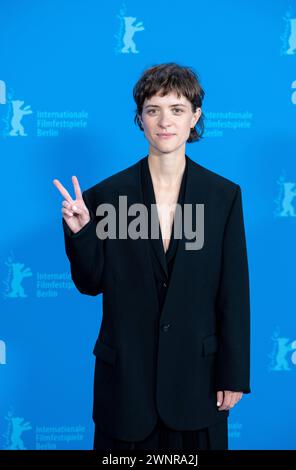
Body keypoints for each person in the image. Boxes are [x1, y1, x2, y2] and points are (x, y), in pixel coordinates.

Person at [53, 62, 251, 450]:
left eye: (177, 109)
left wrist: (234, 374)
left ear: (195, 117)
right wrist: (81, 234)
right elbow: (90, 284)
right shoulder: (104, 198)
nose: (165, 121)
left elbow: (234, 292)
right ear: (140, 118)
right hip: (126, 388)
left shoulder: (223, 196)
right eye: (153, 109)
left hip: (198, 385)